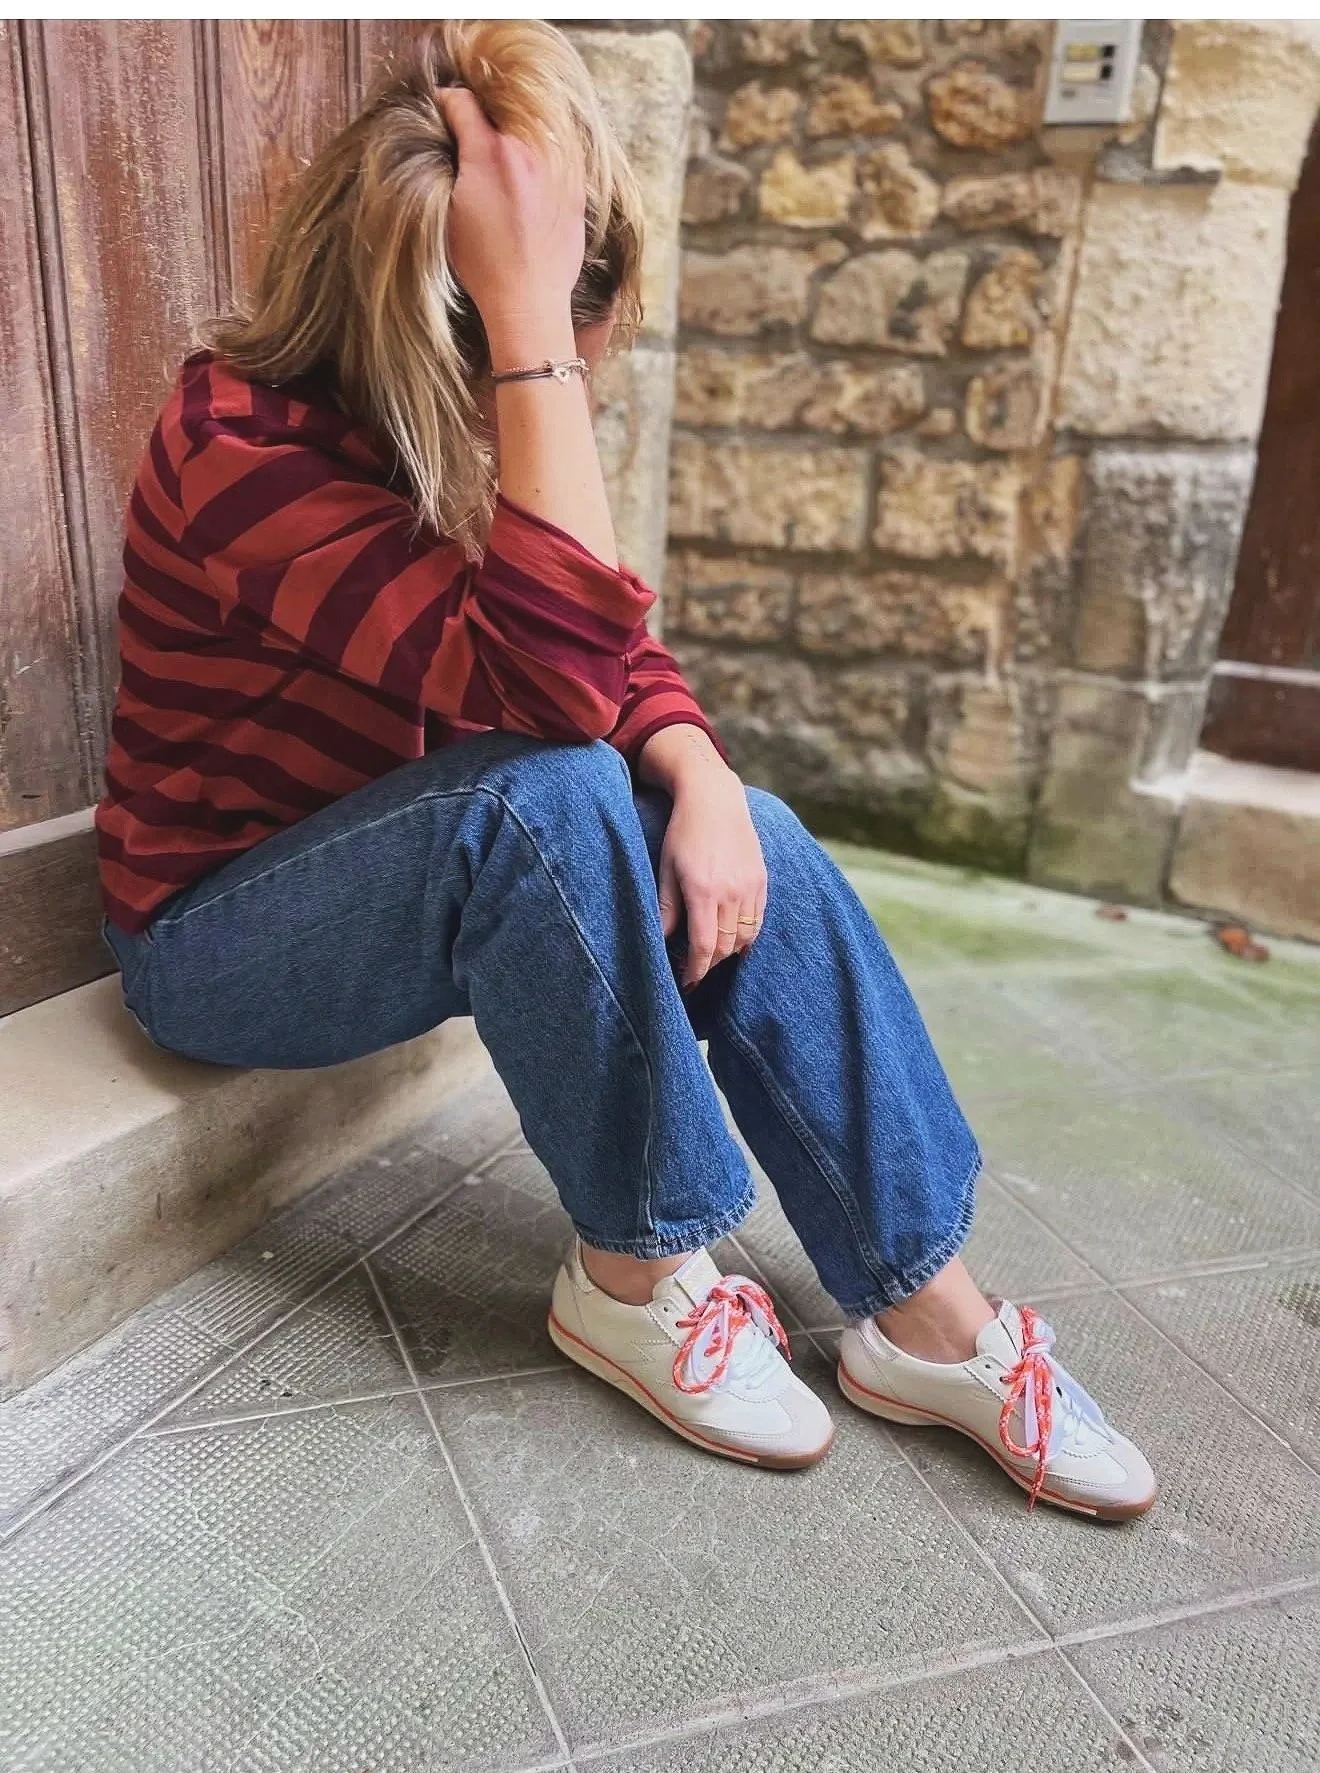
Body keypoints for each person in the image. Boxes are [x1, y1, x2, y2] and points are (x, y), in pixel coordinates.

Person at [95, 20, 1155, 1520]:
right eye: (558, 363)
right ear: (459, 341)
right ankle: (636, 1276)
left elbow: (606, 656)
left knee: (742, 825)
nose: (575, 388)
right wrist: (532, 333)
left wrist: (703, 777)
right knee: (549, 796)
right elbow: (551, 690)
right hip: (213, 944)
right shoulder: (233, 451)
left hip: (410, 871)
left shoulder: (448, 427)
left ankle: (928, 1317)